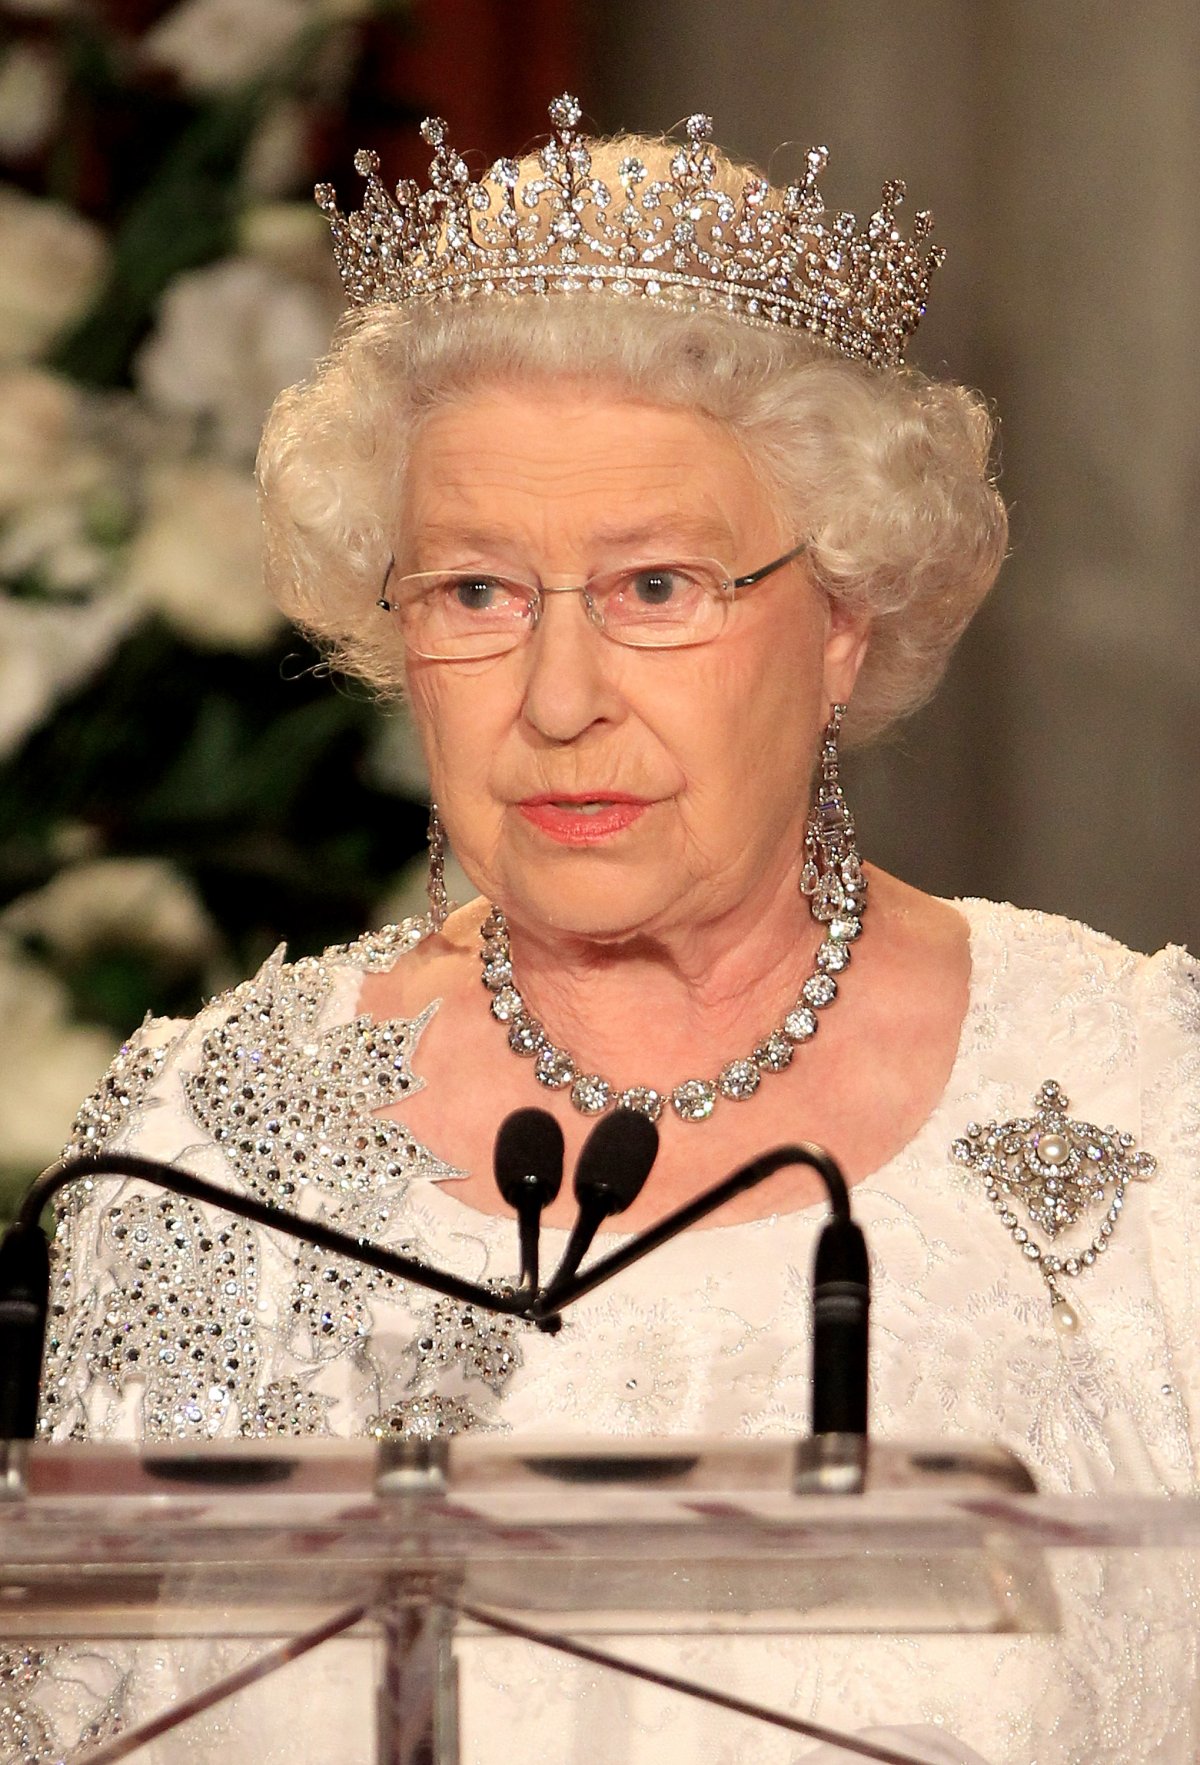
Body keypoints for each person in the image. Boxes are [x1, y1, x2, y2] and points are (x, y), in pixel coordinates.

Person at [9, 96, 1198, 1765]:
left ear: (844, 619)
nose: (557, 701)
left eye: (657, 588)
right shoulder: (201, 1146)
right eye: (478, 592)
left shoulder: (1146, 1103)